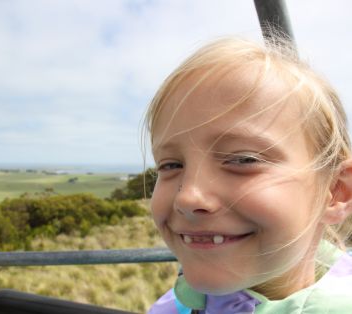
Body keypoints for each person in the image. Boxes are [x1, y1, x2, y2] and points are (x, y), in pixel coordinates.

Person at [145, 36, 352, 313]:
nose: (188, 197)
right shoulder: (174, 306)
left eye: (243, 159)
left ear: (336, 191)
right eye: (171, 165)